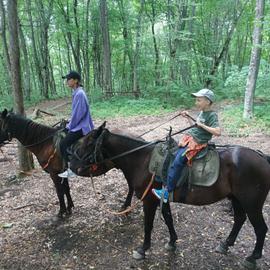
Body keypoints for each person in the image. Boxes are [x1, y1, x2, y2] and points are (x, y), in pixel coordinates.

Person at [152, 88, 221, 203]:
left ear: (208, 102)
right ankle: (163, 178)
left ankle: (167, 192)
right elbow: (195, 127)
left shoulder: (212, 115)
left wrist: (202, 126)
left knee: (179, 161)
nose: (196, 102)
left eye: (199, 100)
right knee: (171, 152)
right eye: (196, 100)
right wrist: (188, 117)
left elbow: (218, 132)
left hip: (198, 143)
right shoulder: (202, 113)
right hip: (189, 139)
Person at [58, 70, 94, 178]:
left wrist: (69, 127)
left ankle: (72, 169)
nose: (67, 81)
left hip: (82, 127)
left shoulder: (79, 94)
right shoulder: (76, 93)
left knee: (63, 144)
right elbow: (76, 114)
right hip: (80, 124)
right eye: (67, 79)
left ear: (76, 80)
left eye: (69, 79)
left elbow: (78, 115)